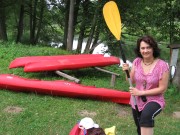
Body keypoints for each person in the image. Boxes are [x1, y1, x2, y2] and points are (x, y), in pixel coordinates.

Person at [122, 35, 169, 135]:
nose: (145, 50)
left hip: (154, 100)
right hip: (136, 100)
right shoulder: (137, 62)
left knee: (146, 117)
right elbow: (131, 80)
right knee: (140, 127)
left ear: (153, 48)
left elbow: (162, 89)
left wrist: (141, 92)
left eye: (148, 47)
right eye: (142, 48)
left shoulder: (162, 65)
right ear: (139, 50)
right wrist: (127, 71)